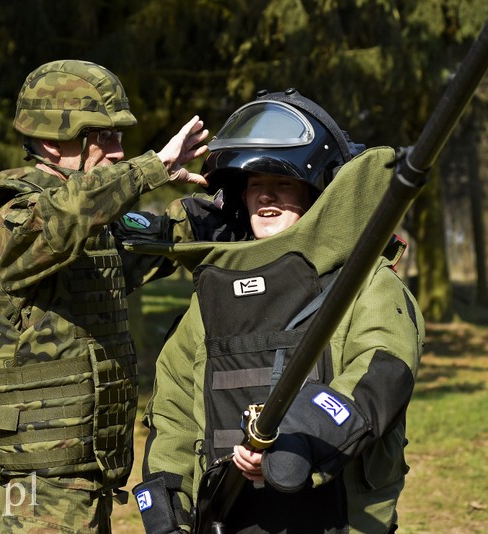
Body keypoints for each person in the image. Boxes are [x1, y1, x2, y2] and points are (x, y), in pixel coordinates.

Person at [132, 89, 425, 533]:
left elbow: (383, 370)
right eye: (253, 185)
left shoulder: (364, 282)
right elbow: (174, 410)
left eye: (283, 182)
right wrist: (167, 508)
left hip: (337, 517)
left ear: (315, 194)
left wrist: (300, 441)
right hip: (228, 520)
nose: (266, 195)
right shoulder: (209, 298)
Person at [0, 59, 209, 532]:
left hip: (88, 471)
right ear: (54, 140)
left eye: (120, 139)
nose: (117, 151)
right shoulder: (13, 215)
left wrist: (223, 206)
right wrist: (150, 169)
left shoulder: (90, 219)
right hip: (47, 480)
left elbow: (149, 244)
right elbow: (60, 220)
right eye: (105, 136)